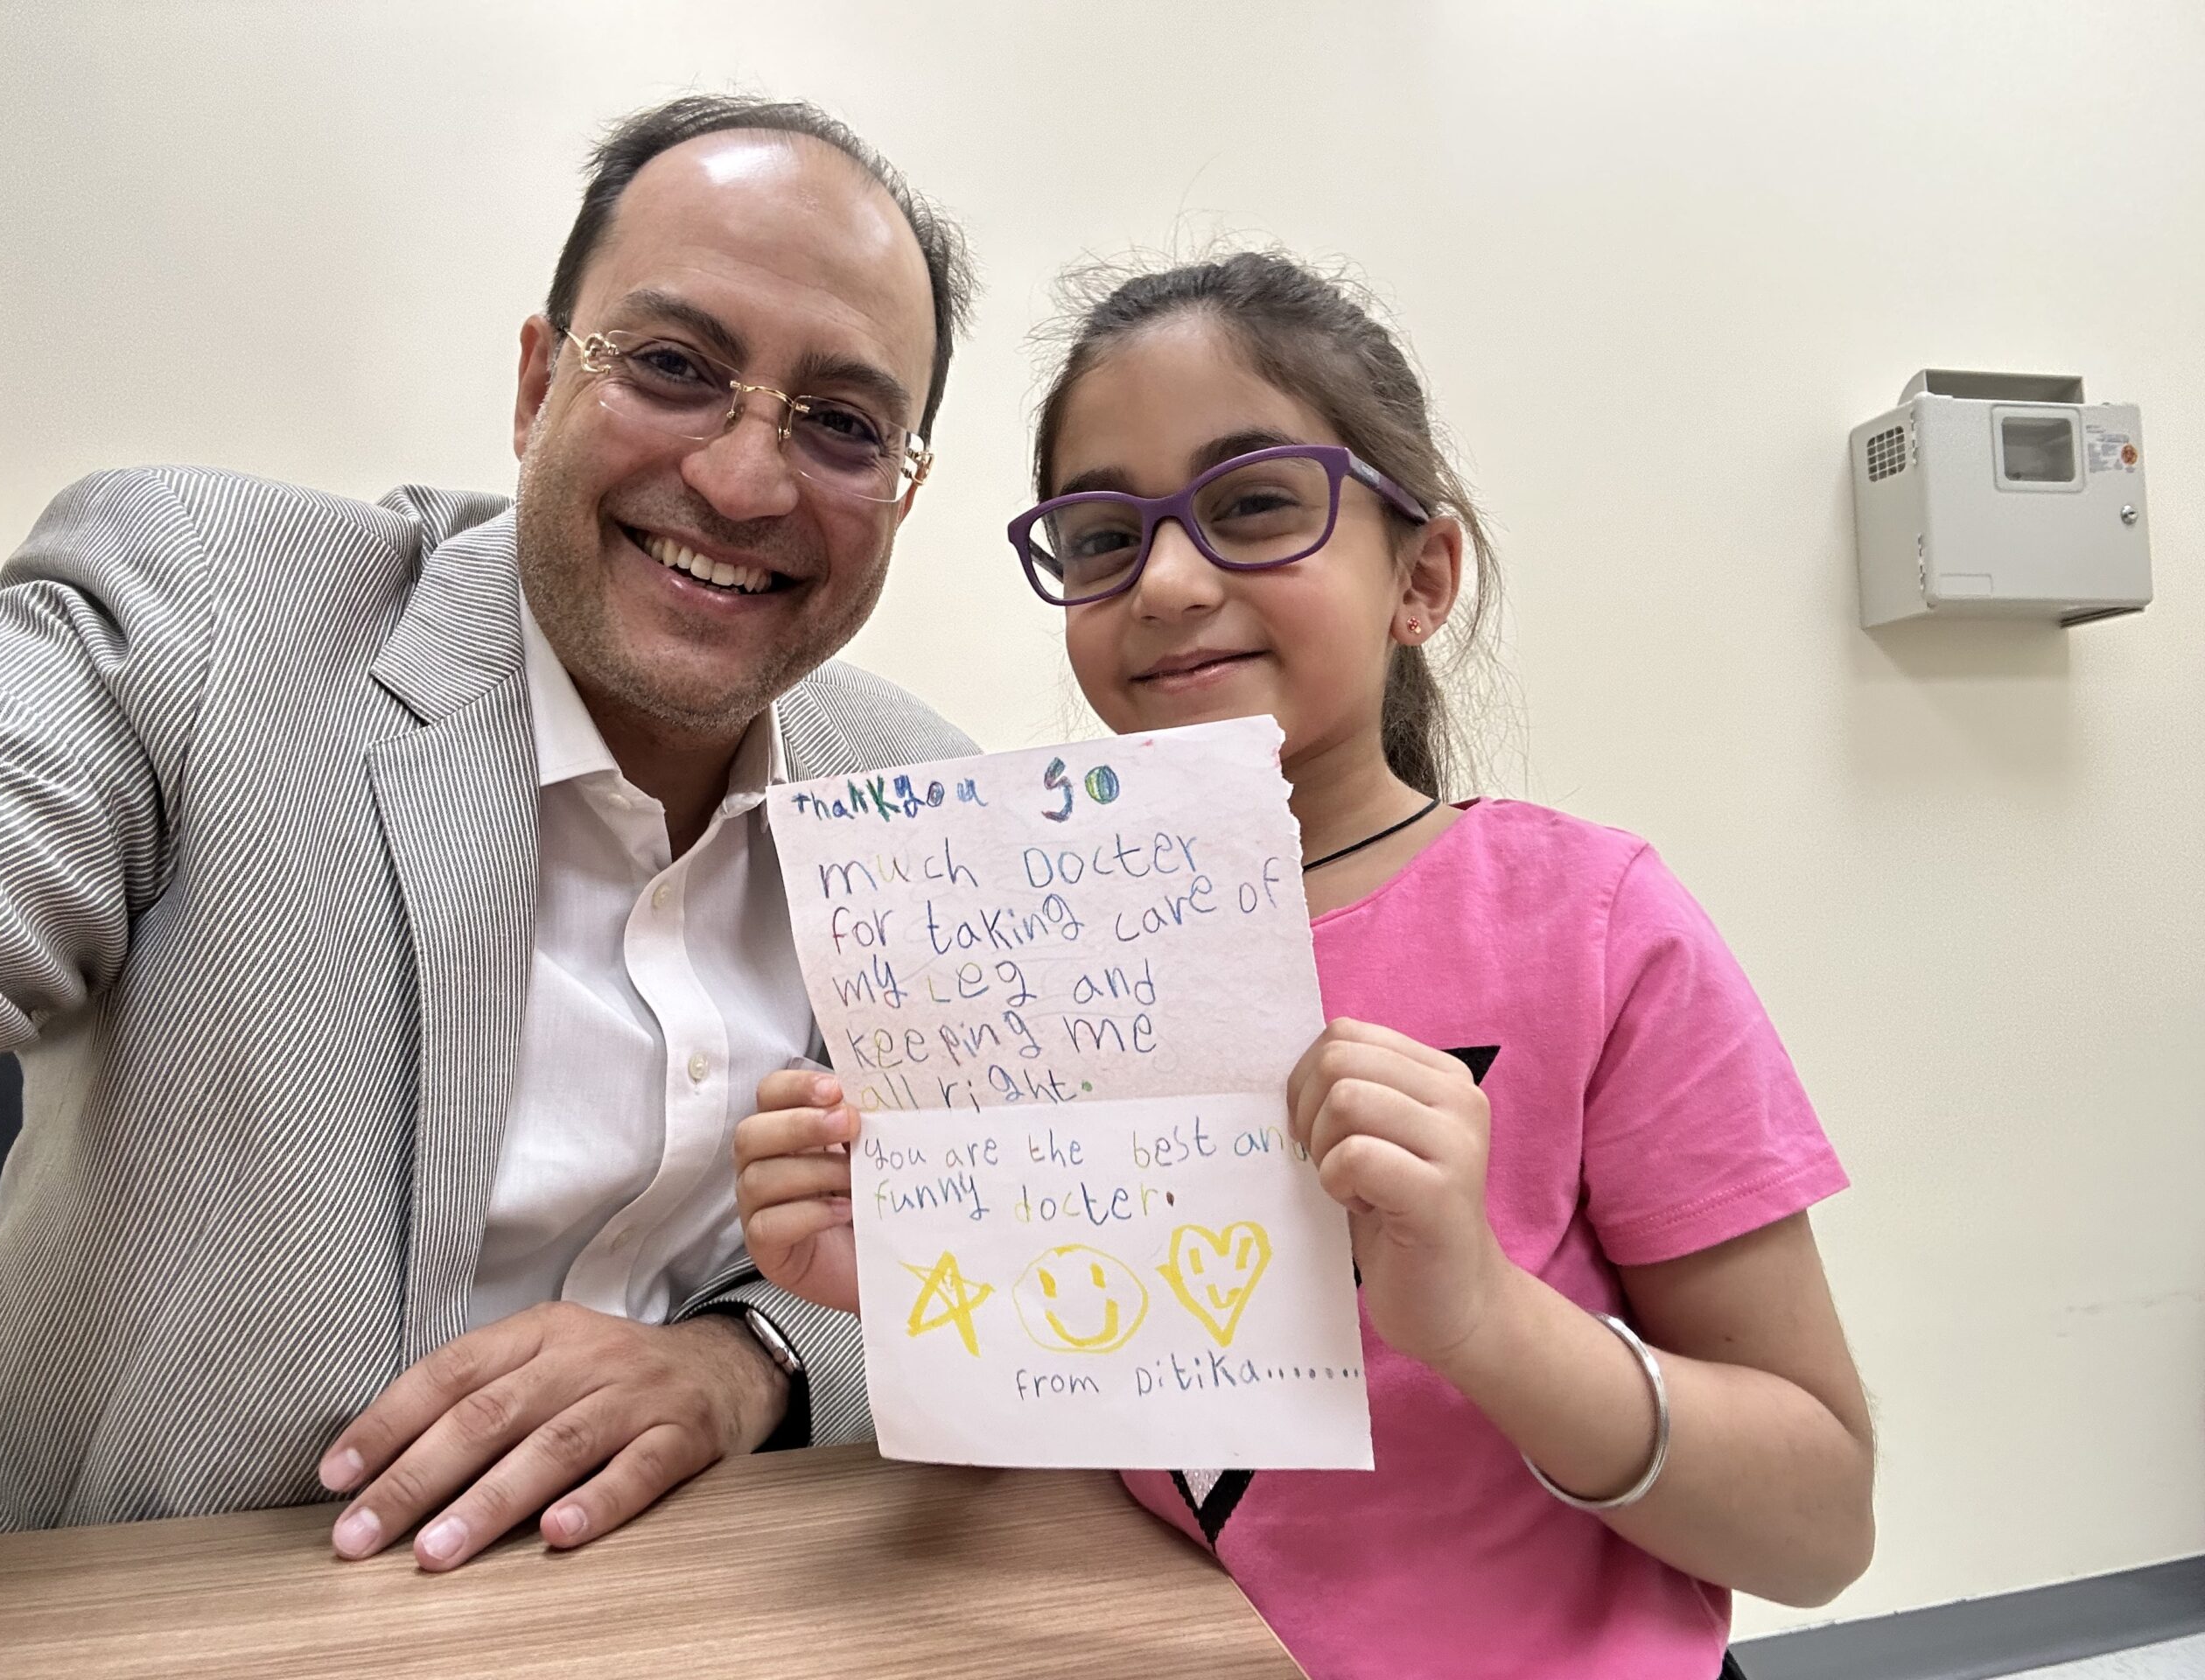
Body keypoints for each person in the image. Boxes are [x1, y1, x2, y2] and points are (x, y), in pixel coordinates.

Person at [735, 251, 1875, 1678]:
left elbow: (1822, 1527)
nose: (1163, 578)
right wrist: (908, 1286)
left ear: (1422, 575)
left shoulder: (1590, 924)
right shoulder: (1030, 945)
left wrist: (1483, 1320)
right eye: (1100, 534)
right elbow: (1121, 1413)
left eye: (1256, 504)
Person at [0, 94, 976, 1569]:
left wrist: (746, 1360)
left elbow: (1036, 1270)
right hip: (154, 1610)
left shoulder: (925, 800)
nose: (745, 483)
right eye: (678, 367)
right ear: (534, 385)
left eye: (840, 424)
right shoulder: (202, 614)